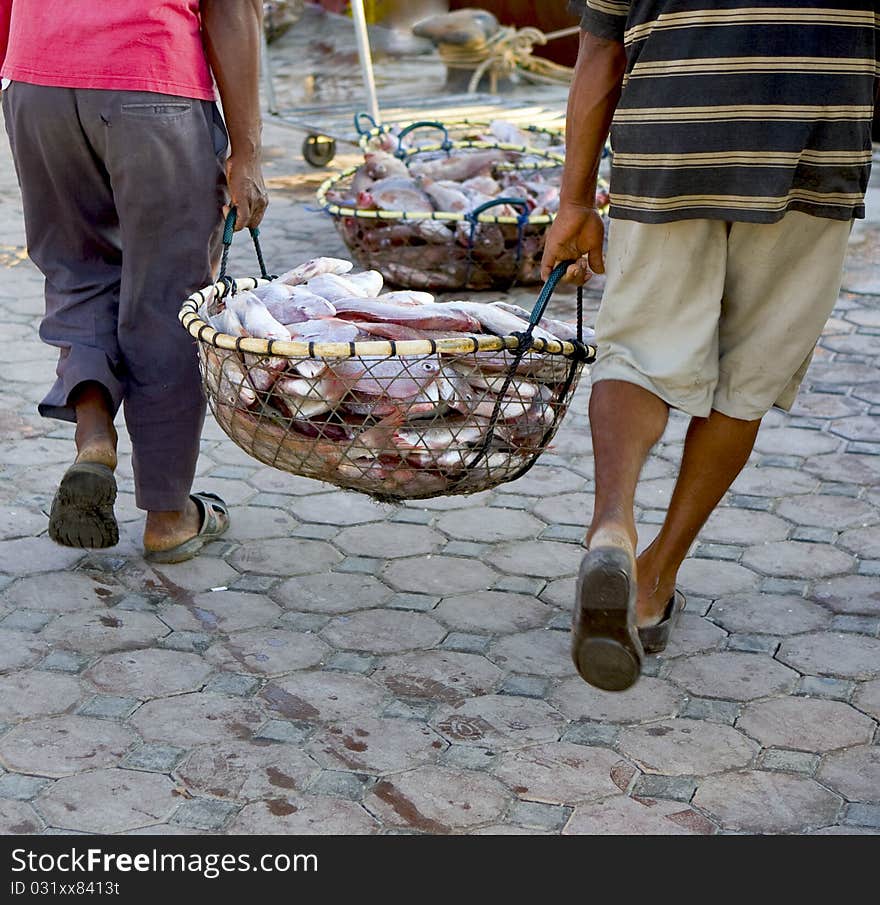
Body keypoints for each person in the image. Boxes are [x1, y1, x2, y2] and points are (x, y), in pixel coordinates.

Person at [542, 1, 877, 691]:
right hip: (815, 143)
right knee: (745, 381)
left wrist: (574, 202)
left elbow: (601, 51)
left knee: (636, 347)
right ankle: (652, 582)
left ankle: (612, 528)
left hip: (672, 135)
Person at [0, 0, 268, 562]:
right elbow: (232, 10)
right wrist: (246, 153)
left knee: (78, 273)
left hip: (36, 83)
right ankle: (169, 517)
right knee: (168, 298)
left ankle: (94, 437)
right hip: (151, 82)